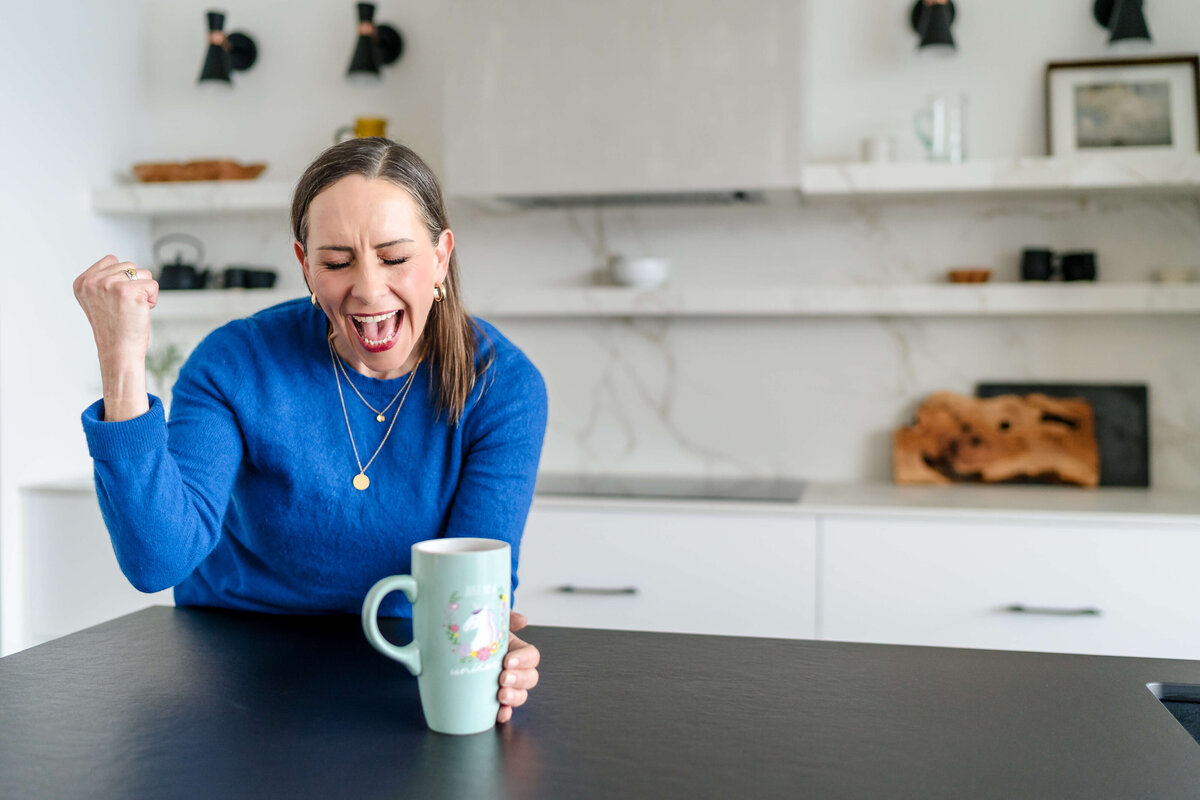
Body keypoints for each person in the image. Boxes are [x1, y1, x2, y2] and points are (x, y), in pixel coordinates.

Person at [73, 138, 547, 724]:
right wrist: (122, 358)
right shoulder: (234, 362)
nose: (369, 290)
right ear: (304, 265)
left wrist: (491, 642)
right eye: (337, 261)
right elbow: (156, 561)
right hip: (227, 662)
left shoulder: (503, 386)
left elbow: (470, 588)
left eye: (396, 258)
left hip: (404, 668)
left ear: (441, 256)